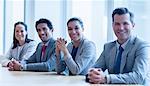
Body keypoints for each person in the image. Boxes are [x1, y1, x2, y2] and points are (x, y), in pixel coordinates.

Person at [86, 7, 150, 84]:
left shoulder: (142, 46)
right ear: (113, 26)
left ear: (133, 25)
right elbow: (93, 69)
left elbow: (138, 77)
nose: (121, 28)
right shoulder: (108, 47)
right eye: (117, 24)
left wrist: (106, 78)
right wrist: (93, 74)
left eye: (125, 23)